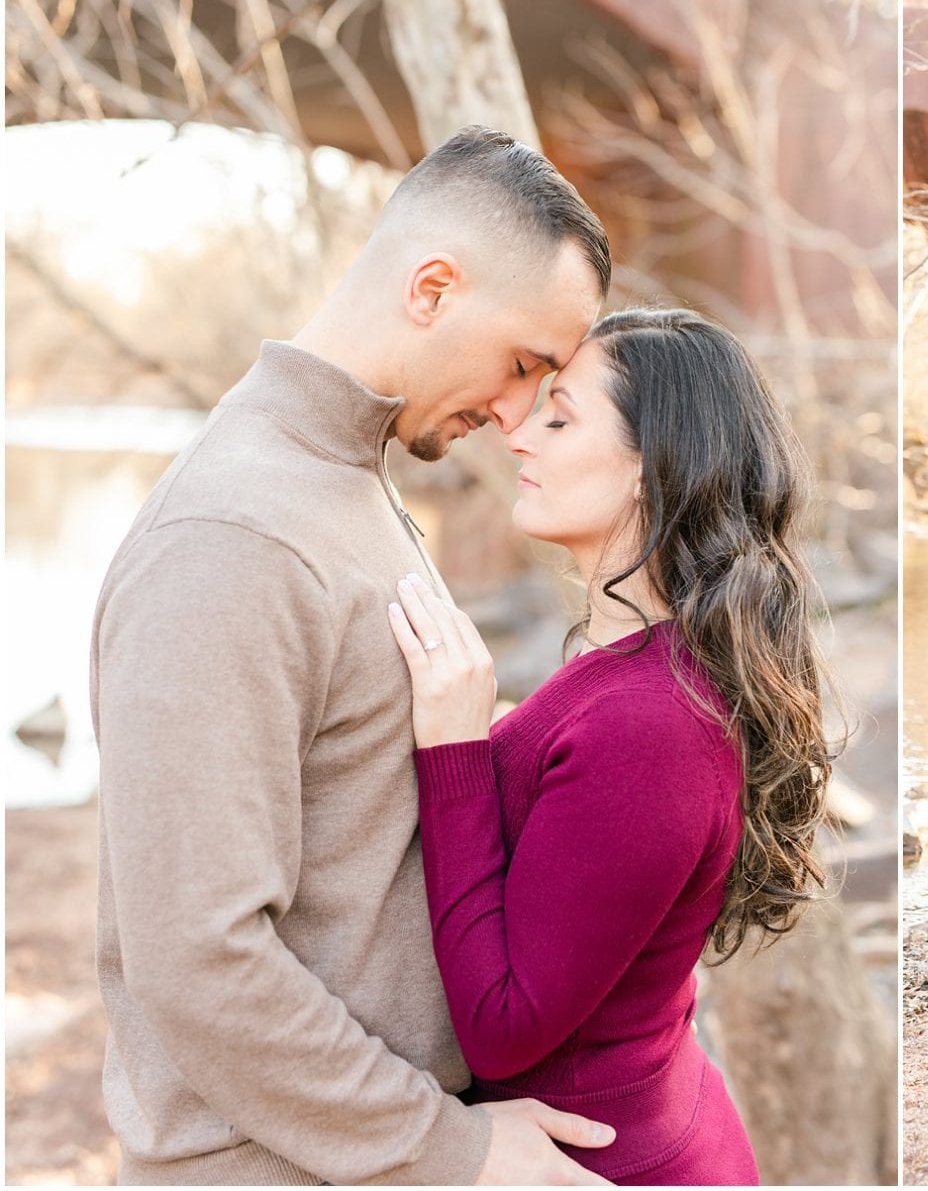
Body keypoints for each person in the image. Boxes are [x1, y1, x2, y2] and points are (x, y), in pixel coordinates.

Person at [90, 126, 619, 1184]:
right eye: (522, 364)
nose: (517, 412)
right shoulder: (232, 537)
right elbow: (198, 958)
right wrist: (450, 1149)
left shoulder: (345, 478)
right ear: (431, 287)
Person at [385, 307, 834, 1186]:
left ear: (647, 468)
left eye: (560, 417)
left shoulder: (650, 725)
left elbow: (504, 1021)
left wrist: (455, 754)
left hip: (598, 1163)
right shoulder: (641, 668)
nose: (519, 435)